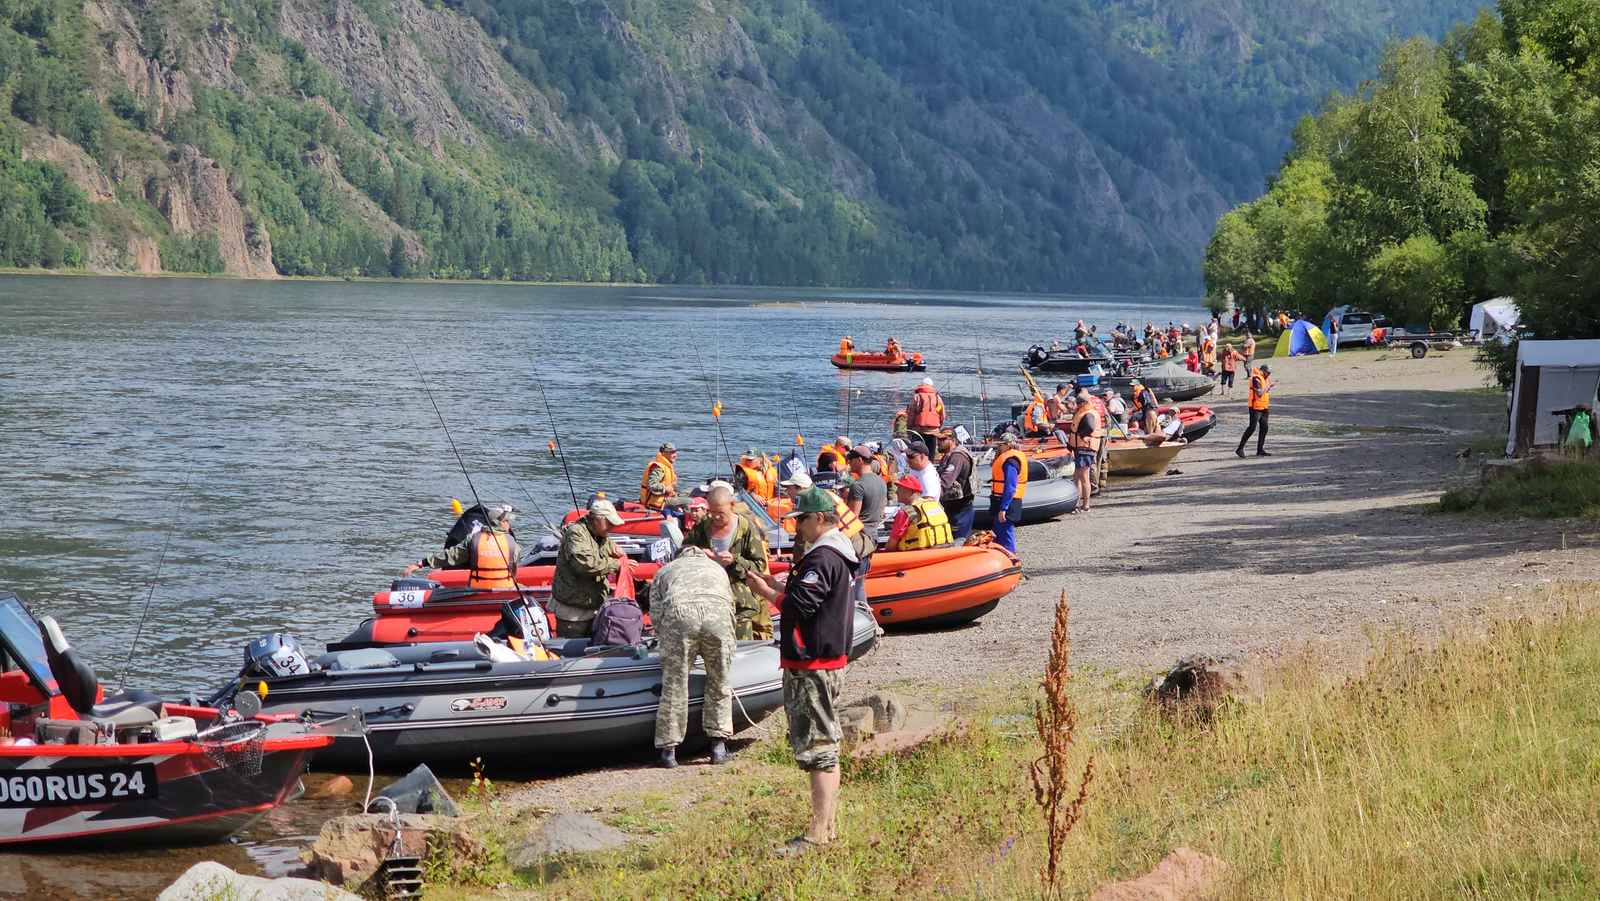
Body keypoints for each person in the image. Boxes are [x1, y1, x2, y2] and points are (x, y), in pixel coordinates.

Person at [742, 488, 859, 856]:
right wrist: (775, 584)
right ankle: (826, 827)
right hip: (822, 660)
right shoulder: (834, 554)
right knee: (822, 744)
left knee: (820, 748)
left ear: (820, 519)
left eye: (802, 519)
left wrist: (765, 593)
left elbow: (802, 606)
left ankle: (818, 833)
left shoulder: (823, 558)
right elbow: (807, 597)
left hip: (814, 664)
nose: (798, 527)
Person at [651, 546, 737, 768]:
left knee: (674, 683)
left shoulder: (665, 571)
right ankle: (718, 747)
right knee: (720, 681)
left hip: (680, 616)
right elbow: (730, 605)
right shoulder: (718, 569)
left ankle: (669, 752)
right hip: (717, 617)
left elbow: (656, 614)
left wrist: (667, 641)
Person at [684, 482, 772, 640]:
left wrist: (733, 561)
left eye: (721, 513)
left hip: (739, 604)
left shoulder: (746, 528)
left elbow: (759, 567)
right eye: (712, 512)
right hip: (707, 601)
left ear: (732, 505)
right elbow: (683, 551)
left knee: (740, 653)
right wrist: (697, 554)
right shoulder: (703, 526)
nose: (716, 517)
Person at [550, 498, 626, 637]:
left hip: (593, 607)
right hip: (573, 613)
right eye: (609, 523)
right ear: (597, 519)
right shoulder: (576, 533)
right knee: (571, 650)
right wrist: (616, 564)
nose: (612, 527)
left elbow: (609, 547)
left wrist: (618, 553)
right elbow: (585, 564)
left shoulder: (600, 535)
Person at [401, 503, 519, 588]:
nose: (509, 525)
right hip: (505, 588)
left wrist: (421, 563)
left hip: (478, 588)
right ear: (500, 523)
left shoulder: (473, 539)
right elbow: (514, 569)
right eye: (507, 521)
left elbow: (450, 556)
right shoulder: (513, 543)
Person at [887, 475, 952, 552]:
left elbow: (891, 545)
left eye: (900, 489)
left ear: (910, 491)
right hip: (944, 549)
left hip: (917, 554)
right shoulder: (935, 504)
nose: (896, 492)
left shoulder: (905, 512)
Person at [989, 434, 1028, 554]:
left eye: (1001, 445)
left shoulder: (1010, 461)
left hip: (1007, 502)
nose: (999, 448)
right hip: (1001, 500)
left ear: (1008, 445)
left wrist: (1003, 508)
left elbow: (1010, 486)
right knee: (1000, 533)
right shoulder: (1010, 457)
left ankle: (1011, 560)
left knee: (1006, 534)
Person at [935, 429, 977, 539]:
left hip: (960, 508)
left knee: (959, 541)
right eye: (938, 439)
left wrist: (932, 498)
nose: (938, 442)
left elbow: (945, 482)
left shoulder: (957, 457)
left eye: (942, 439)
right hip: (952, 505)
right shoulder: (947, 455)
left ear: (953, 440)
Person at [841, 446, 888, 536]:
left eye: (851, 459)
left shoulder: (858, 485)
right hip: (874, 535)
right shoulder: (881, 481)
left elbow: (851, 520)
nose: (848, 462)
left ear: (859, 460)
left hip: (860, 536)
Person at [1068, 389, 1101, 514]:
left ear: (1082, 403)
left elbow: (1090, 427)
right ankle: (1076, 503)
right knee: (1077, 476)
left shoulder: (1088, 413)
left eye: (1077, 403)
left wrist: (1082, 436)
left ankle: (1086, 504)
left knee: (1083, 477)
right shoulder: (1086, 411)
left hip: (1085, 448)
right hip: (1081, 447)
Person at [1236, 364, 1273, 458]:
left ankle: (1260, 450)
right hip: (1255, 408)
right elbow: (1260, 393)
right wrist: (1268, 387)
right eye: (1268, 372)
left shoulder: (1265, 378)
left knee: (1264, 428)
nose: (1269, 375)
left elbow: (1264, 392)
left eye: (1269, 373)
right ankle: (1240, 449)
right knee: (1252, 428)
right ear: (1263, 371)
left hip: (1264, 407)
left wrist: (1268, 387)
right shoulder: (1255, 379)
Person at [640, 442, 689, 511]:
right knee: (690, 501)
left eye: (675, 452)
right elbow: (652, 485)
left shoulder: (666, 466)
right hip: (658, 502)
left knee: (690, 492)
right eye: (672, 452)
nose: (675, 455)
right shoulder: (659, 468)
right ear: (664, 453)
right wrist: (665, 488)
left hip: (667, 497)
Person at [906, 377, 946, 451]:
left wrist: (909, 429)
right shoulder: (938, 398)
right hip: (933, 432)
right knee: (931, 454)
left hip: (918, 431)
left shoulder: (916, 397)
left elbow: (911, 415)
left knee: (917, 453)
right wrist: (938, 428)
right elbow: (942, 415)